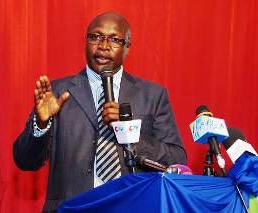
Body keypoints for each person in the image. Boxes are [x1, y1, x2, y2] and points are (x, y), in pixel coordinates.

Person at [13, 12, 187, 212]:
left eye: (114, 39)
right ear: (85, 42)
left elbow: (177, 159)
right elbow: (25, 160)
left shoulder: (152, 95)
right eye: (95, 37)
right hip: (72, 208)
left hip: (133, 205)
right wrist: (41, 125)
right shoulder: (58, 92)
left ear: (127, 47)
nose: (103, 46)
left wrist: (127, 133)